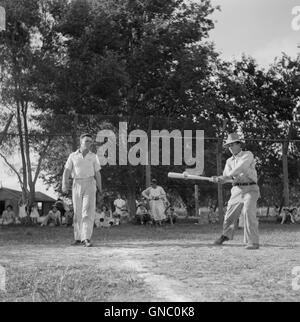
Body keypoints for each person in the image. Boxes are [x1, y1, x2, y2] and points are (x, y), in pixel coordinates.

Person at [213, 133, 260, 250]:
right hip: (237, 190)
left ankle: (253, 242)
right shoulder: (229, 161)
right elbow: (227, 178)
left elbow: (241, 168)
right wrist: (219, 179)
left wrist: (225, 177)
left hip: (251, 188)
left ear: (239, 144)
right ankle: (226, 235)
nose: (229, 147)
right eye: (228, 145)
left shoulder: (248, 155)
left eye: (232, 144)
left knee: (248, 212)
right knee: (229, 215)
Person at [62, 133, 102, 247]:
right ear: (81, 142)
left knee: (87, 211)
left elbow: (98, 173)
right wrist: (64, 184)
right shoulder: (72, 156)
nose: (89, 143)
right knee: (77, 212)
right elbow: (66, 171)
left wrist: (100, 189)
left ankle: (86, 238)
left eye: (90, 141)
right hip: (77, 183)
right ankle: (78, 238)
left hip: (90, 183)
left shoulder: (93, 156)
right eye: (87, 141)